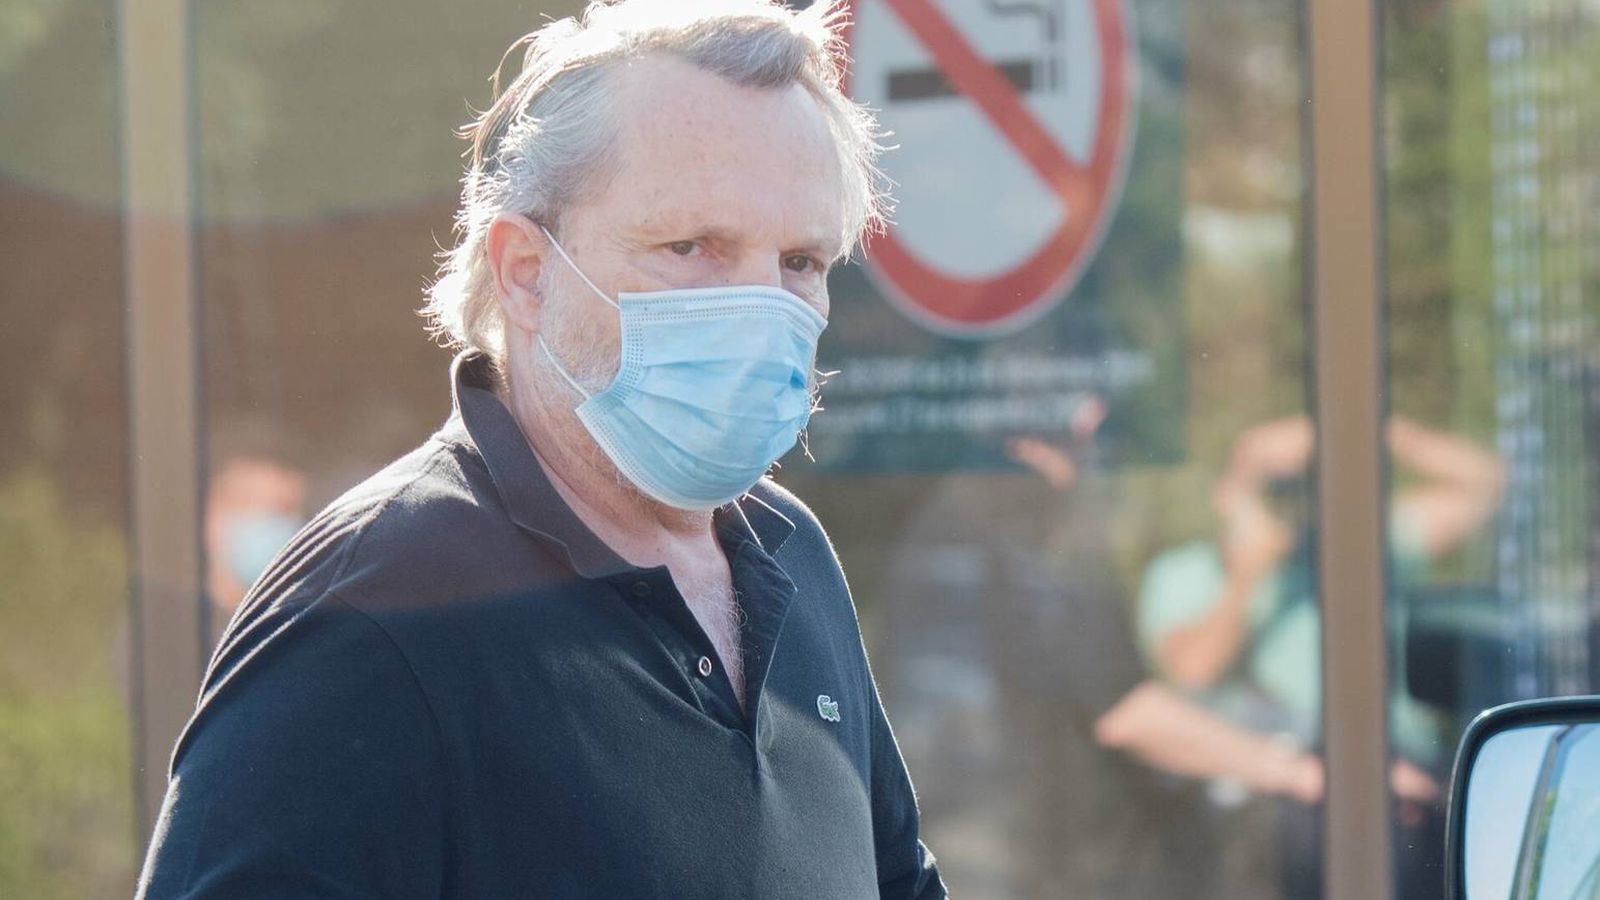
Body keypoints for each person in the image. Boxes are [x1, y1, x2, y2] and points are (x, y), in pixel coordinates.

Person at [136, 2, 945, 897]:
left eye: (799, 262)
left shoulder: (789, 555)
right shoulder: (374, 607)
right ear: (527, 269)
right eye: (690, 246)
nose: (760, 309)